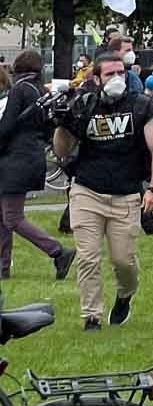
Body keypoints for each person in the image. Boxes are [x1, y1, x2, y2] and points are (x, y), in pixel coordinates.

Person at [50, 46, 153, 331]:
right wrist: (62, 124)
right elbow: (62, 151)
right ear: (98, 78)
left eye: (121, 72)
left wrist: (152, 188)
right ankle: (91, 316)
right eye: (110, 73)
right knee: (88, 257)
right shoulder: (86, 104)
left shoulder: (140, 105)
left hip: (126, 193)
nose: (117, 77)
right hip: (87, 191)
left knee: (123, 261)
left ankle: (125, 294)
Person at [0, 53, 75, 282]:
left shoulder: (19, 90)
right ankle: (2, 268)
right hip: (30, 154)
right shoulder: (40, 91)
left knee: (12, 218)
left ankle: (57, 251)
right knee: (2, 217)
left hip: (14, 158)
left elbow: (8, 124)